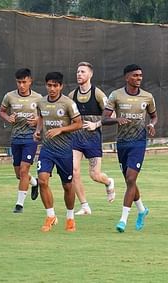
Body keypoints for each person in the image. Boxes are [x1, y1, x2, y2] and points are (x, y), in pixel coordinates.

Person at [102, 64, 157, 233]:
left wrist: (151, 125)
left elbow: (154, 116)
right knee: (129, 180)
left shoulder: (148, 97)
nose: (139, 78)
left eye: (140, 75)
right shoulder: (116, 95)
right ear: (127, 78)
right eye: (135, 75)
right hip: (123, 143)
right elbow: (104, 118)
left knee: (131, 178)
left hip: (139, 143)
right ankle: (142, 210)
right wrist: (116, 119)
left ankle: (123, 220)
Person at [34, 72, 82, 232]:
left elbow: (78, 123)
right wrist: (38, 131)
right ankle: (50, 215)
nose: (52, 88)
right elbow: (40, 118)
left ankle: (70, 218)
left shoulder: (68, 103)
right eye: (49, 85)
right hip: (47, 149)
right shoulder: (41, 102)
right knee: (42, 180)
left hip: (65, 151)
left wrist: (60, 129)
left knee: (68, 186)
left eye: (55, 85)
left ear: (61, 86)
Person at [68, 62, 115, 216]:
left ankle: (108, 182)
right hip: (76, 139)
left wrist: (96, 124)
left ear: (90, 75)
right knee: (73, 171)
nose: (79, 74)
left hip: (93, 139)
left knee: (95, 175)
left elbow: (112, 116)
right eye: (77, 72)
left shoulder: (98, 94)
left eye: (82, 72)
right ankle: (84, 206)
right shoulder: (71, 95)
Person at [0, 68, 42, 213]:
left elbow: (45, 116)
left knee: (24, 170)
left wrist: (37, 121)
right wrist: (8, 118)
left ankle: (19, 205)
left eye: (24, 82)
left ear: (30, 81)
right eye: (19, 82)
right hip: (16, 138)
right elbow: (2, 111)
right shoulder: (9, 96)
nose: (21, 85)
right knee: (19, 174)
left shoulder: (38, 98)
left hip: (30, 138)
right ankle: (35, 183)